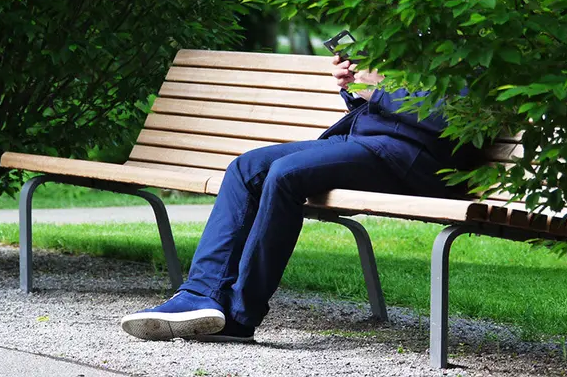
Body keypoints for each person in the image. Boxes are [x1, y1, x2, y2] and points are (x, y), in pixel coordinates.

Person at [120, 54, 479, 342]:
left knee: (285, 175)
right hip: (365, 141)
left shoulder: (478, 43)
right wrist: (354, 87)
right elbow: (383, 103)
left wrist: (378, 90)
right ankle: (199, 294)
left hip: (412, 159)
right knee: (245, 168)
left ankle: (240, 316)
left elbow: (455, 117)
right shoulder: (410, 33)